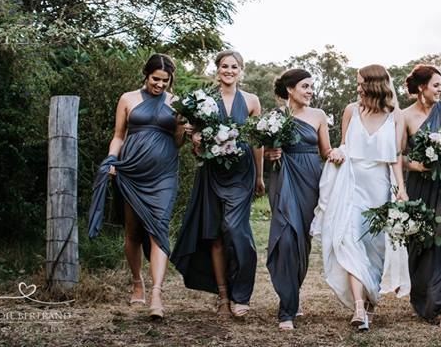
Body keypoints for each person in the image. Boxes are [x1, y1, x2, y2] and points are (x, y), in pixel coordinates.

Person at [312, 64, 409, 331]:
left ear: (374, 84)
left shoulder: (395, 116)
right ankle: (358, 306)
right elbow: (344, 144)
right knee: (349, 240)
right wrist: (338, 152)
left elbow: (396, 157)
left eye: (360, 82)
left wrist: (401, 188)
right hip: (351, 184)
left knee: (375, 248)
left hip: (379, 187)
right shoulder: (350, 111)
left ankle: (371, 304)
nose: (357, 87)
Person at [88, 53, 185, 320]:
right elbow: (119, 136)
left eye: (165, 81)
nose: (160, 85)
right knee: (132, 230)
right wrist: (111, 160)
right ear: (146, 74)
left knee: (159, 228)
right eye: (156, 79)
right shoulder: (128, 99)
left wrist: (181, 129)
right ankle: (136, 282)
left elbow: (178, 143)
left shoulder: (177, 103)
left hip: (164, 173)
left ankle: (157, 293)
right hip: (132, 171)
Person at [172, 50, 264, 317]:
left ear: (241, 70)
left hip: (242, 172)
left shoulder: (251, 101)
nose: (229, 71)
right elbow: (195, 143)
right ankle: (223, 297)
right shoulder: (203, 100)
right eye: (224, 66)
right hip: (211, 172)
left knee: (236, 230)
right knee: (213, 234)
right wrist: (195, 138)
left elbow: (257, 141)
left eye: (234, 66)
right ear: (218, 69)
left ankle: (242, 294)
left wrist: (259, 175)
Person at [263, 68, 332, 331]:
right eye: (305, 86)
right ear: (290, 89)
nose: (310, 91)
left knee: (303, 239)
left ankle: (292, 295)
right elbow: (265, 150)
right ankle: (286, 310)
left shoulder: (319, 116)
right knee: (286, 239)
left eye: (311, 87)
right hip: (284, 178)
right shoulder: (275, 117)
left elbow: (324, 151)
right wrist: (270, 154)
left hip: (311, 178)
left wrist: (336, 154)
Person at [401, 64, 441, 329]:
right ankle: (424, 300)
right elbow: (398, 156)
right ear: (421, 88)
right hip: (419, 186)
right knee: (421, 243)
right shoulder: (404, 116)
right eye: (436, 84)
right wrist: (416, 165)